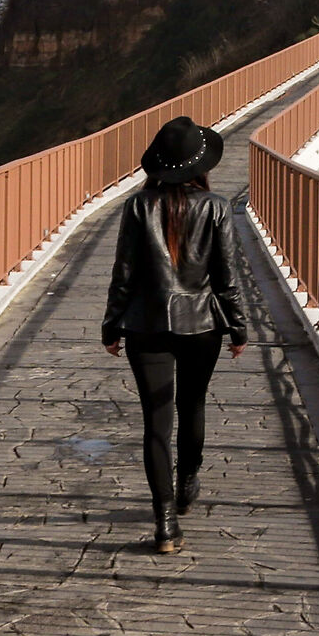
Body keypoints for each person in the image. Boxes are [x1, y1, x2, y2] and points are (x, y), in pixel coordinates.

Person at [103, 117, 248, 554]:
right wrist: (238, 326)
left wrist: (111, 324)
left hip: (146, 326)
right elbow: (226, 277)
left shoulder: (136, 206)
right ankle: (188, 481)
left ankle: (165, 524)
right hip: (202, 324)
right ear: (200, 165)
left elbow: (123, 274)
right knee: (193, 403)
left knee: (155, 424)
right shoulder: (217, 207)